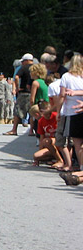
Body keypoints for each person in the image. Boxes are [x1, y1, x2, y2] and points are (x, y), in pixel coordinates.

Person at [58, 55, 83, 186]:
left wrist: (59, 110)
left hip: (72, 111)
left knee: (77, 143)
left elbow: (62, 95)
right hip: (80, 108)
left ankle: (80, 166)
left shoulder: (66, 77)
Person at [4, 53, 34, 135]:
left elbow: (16, 77)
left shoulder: (23, 68)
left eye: (23, 61)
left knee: (18, 110)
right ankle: (31, 130)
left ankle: (14, 129)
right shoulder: (36, 68)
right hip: (33, 92)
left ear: (27, 61)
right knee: (32, 112)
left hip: (24, 92)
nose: (22, 63)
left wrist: (17, 87)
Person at [32, 101, 60, 167]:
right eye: (42, 112)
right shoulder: (41, 121)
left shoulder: (56, 116)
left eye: (48, 113)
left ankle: (60, 160)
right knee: (36, 156)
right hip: (50, 145)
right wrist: (39, 155)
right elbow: (42, 137)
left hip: (58, 141)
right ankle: (53, 158)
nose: (47, 115)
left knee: (47, 141)